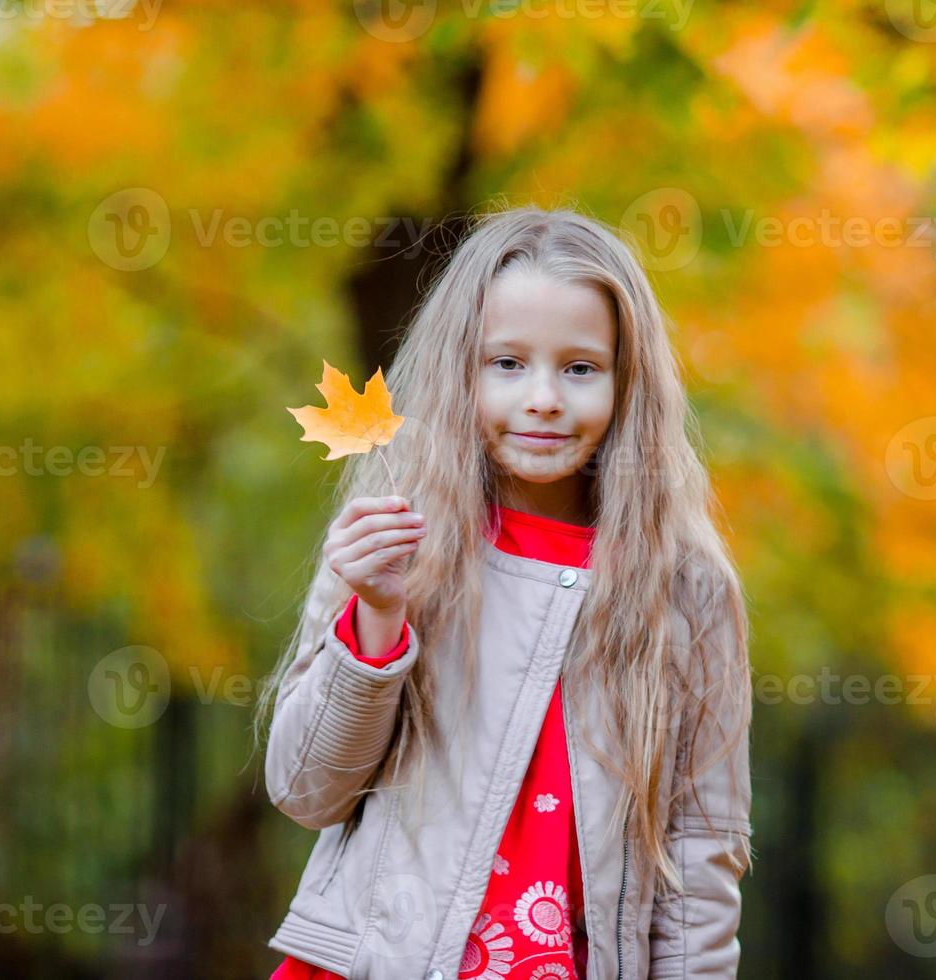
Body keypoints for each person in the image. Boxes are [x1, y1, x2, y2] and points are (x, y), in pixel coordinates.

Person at [253, 206, 754, 979]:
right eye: (507, 364)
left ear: (630, 383)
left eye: (580, 368)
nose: (545, 398)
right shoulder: (398, 543)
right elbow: (306, 789)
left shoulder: (684, 588)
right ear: (462, 370)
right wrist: (378, 617)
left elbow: (702, 848)